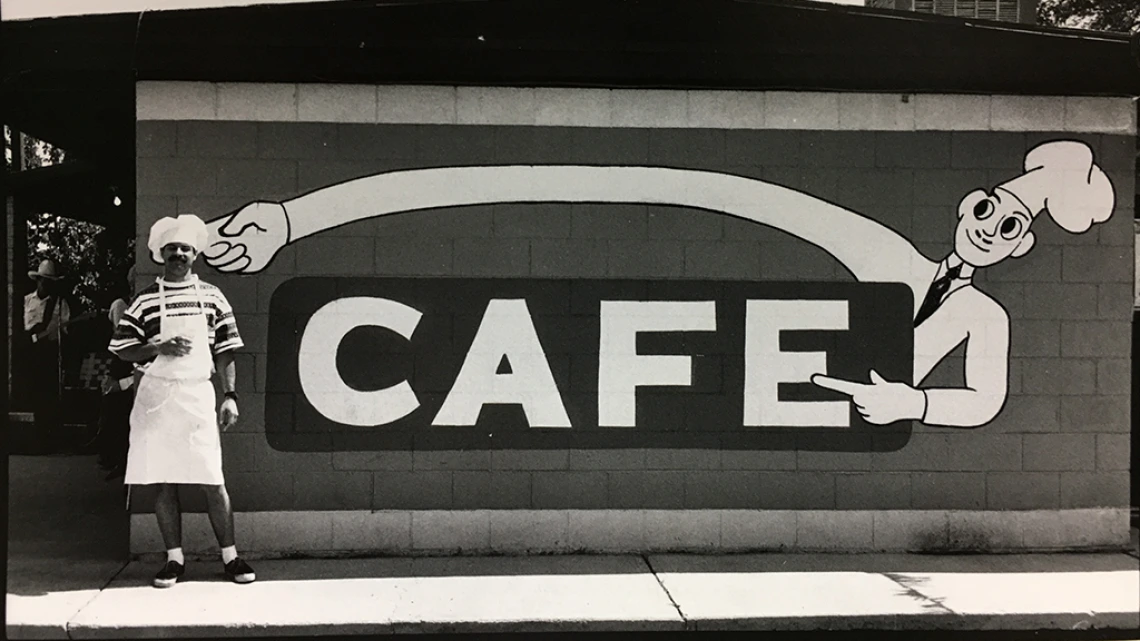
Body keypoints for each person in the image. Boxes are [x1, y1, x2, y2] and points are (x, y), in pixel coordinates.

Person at [198, 140, 1114, 429]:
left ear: (1024, 248)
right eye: (992, 207)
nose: (990, 229)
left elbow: (984, 400)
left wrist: (908, 403)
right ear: (972, 198)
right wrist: (293, 220)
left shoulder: (981, 314)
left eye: (1014, 230)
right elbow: (697, 187)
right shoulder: (879, 250)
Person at [109, 215, 255, 588]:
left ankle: (231, 557)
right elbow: (123, 350)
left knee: (212, 479)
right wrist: (157, 346)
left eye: (185, 249)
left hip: (197, 395)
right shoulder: (143, 300)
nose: (178, 254)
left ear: (195, 254)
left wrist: (230, 396)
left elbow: (225, 351)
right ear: (161, 253)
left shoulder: (212, 296)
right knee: (164, 482)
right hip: (157, 398)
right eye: (171, 248)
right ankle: (174, 560)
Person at [24, 258, 71, 449]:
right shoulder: (27, 300)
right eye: (43, 280)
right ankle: (36, 435)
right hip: (31, 351)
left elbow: (65, 331)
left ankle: (49, 436)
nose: (46, 284)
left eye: (50, 281)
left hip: (49, 352)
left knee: (48, 394)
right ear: (38, 281)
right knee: (34, 393)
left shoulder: (59, 304)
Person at [98, 266, 137, 479]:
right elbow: (124, 343)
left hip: (137, 366)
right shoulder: (121, 305)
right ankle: (116, 460)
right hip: (124, 362)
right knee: (117, 414)